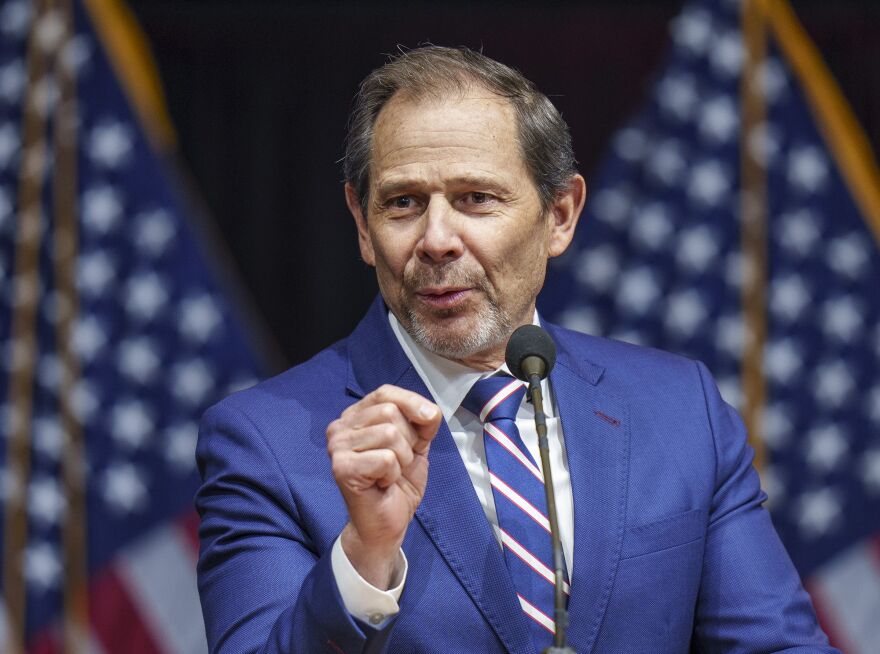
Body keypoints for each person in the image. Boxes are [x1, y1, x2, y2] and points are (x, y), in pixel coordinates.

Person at [195, 46, 837, 653]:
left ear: (560, 214)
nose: (437, 239)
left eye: (476, 198)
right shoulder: (267, 441)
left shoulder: (678, 410)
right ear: (363, 227)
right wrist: (366, 555)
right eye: (402, 203)